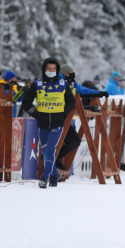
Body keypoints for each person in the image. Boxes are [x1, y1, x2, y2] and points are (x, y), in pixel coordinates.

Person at [21, 57, 76, 188]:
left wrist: (63, 114)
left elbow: (71, 101)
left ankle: (44, 177)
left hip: (57, 123)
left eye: (53, 69)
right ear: (44, 69)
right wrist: (36, 114)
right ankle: (55, 174)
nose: (51, 71)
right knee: (45, 152)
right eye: (48, 69)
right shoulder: (37, 84)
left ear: (57, 70)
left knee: (51, 149)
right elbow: (26, 103)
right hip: (43, 123)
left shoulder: (63, 84)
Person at [56, 64, 109, 171]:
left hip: (64, 119)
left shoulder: (72, 83)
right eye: (71, 72)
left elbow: (85, 91)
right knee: (56, 142)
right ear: (65, 73)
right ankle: (51, 161)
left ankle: (53, 158)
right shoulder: (56, 83)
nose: (73, 73)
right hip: (55, 118)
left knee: (74, 141)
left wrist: (99, 93)